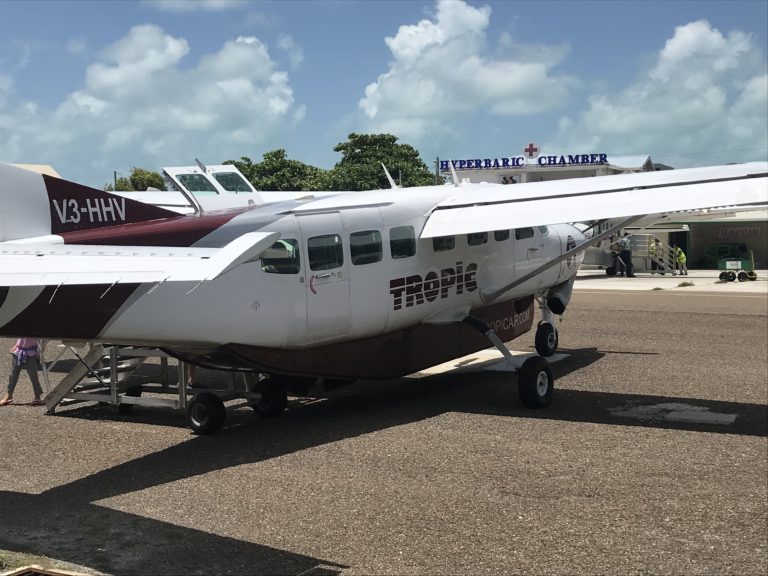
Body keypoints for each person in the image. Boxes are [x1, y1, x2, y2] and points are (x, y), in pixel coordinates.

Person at [0, 337, 44, 406]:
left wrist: (38, 352)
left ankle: (37, 397)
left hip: (31, 353)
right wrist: (16, 346)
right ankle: (9, 395)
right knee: (13, 375)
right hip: (18, 351)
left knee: (33, 375)